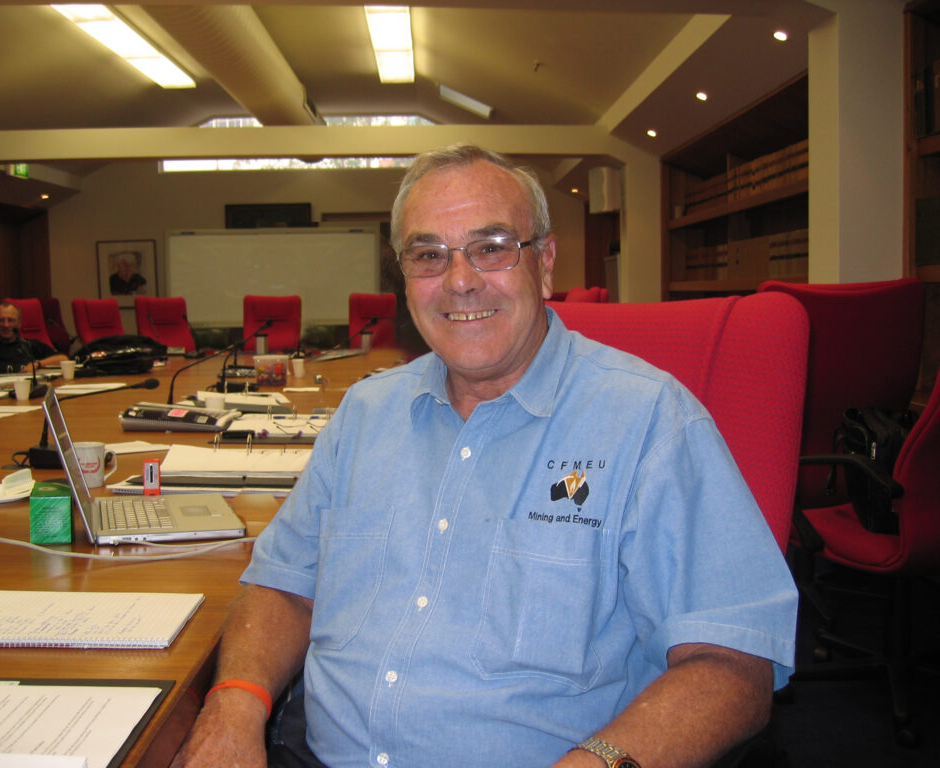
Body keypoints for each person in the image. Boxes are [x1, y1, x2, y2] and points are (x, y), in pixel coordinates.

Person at [173, 145, 798, 768]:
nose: (460, 279)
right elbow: (283, 586)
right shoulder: (364, 413)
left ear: (545, 262)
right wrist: (233, 704)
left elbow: (733, 662)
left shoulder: (649, 422)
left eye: (492, 246)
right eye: (428, 255)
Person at [0, 301, 68, 377]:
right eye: (0, 320)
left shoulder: (28, 345)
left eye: (11, 320)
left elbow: (63, 360)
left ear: (19, 324)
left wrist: (37, 364)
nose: (6, 325)